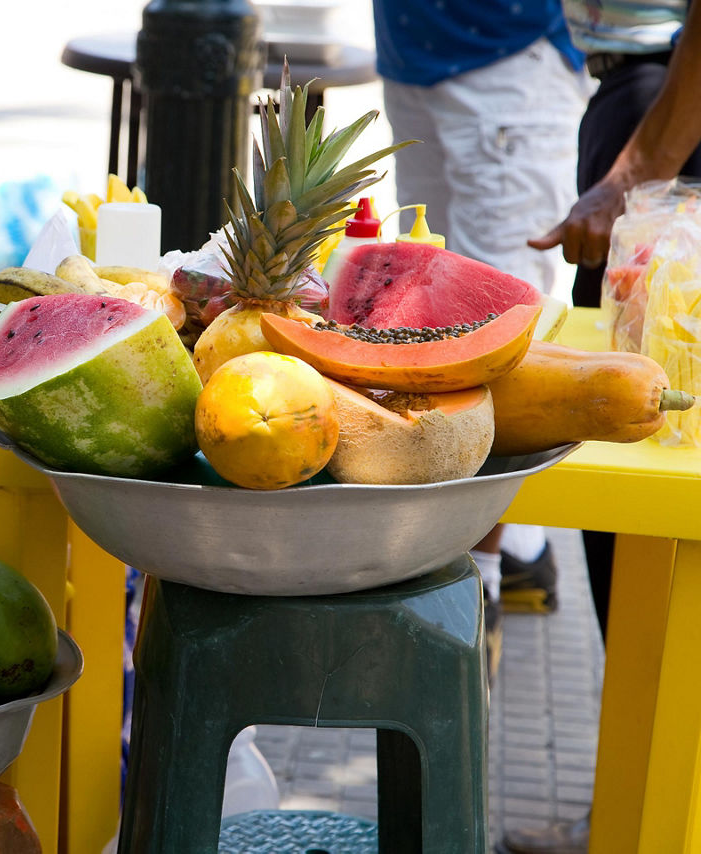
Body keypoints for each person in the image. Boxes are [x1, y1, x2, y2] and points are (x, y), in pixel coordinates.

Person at [499, 2, 701, 852]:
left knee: (643, 461)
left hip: (669, 117)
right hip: (651, 104)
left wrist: (637, 169)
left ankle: (638, 817)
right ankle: (637, 806)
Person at [370, 0, 593, 675]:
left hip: (506, 54)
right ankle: (519, 554)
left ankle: (480, 587)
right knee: (425, 305)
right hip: (414, 49)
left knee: (490, 337)